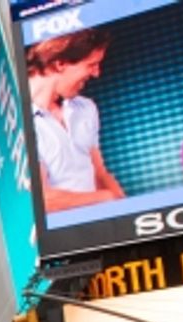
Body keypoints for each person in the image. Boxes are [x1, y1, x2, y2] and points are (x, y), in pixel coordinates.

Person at [26, 28, 126, 211]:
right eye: (92, 64)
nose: (97, 73)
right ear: (60, 64)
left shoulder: (86, 108)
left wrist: (124, 207)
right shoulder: (20, 122)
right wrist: (103, 198)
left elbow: (99, 173)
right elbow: (40, 200)